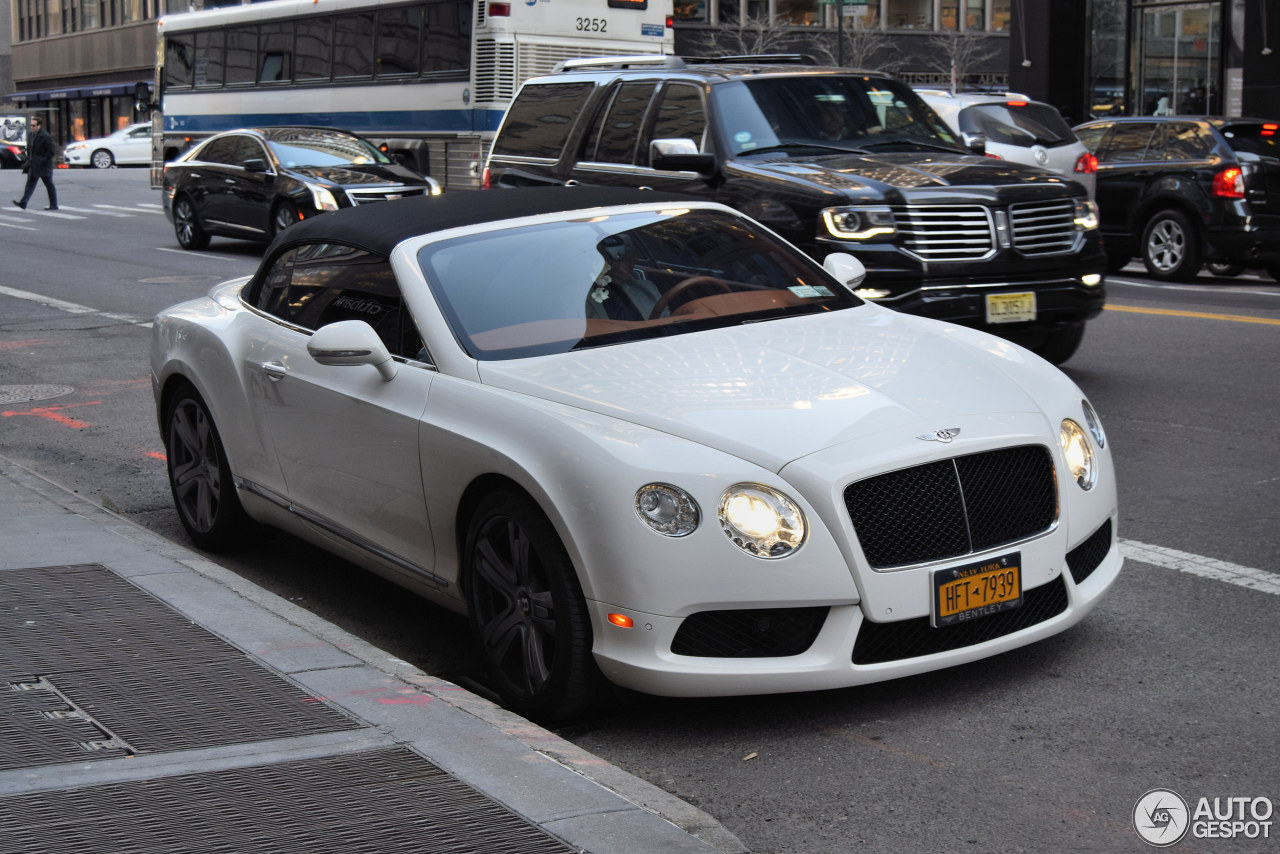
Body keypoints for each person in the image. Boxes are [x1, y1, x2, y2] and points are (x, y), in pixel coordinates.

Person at [586, 232, 661, 321]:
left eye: (631, 256)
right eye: (619, 256)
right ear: (599, 261)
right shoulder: (582, 298)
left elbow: (665, 318)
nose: (632, 260)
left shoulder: (647, 289)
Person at [13, 116, 58, 211]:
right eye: (31, 125)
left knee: (49, 185)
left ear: (39, 126)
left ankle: (54, 205)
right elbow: (30, 149)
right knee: (30, 184)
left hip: (44, 166)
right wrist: (27, 159)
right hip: (33, 165)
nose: (32, 127)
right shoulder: (31, 135)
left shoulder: (45, 136)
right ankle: (23, 203)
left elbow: (51, 152)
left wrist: (43, 160)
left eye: (34, 125)